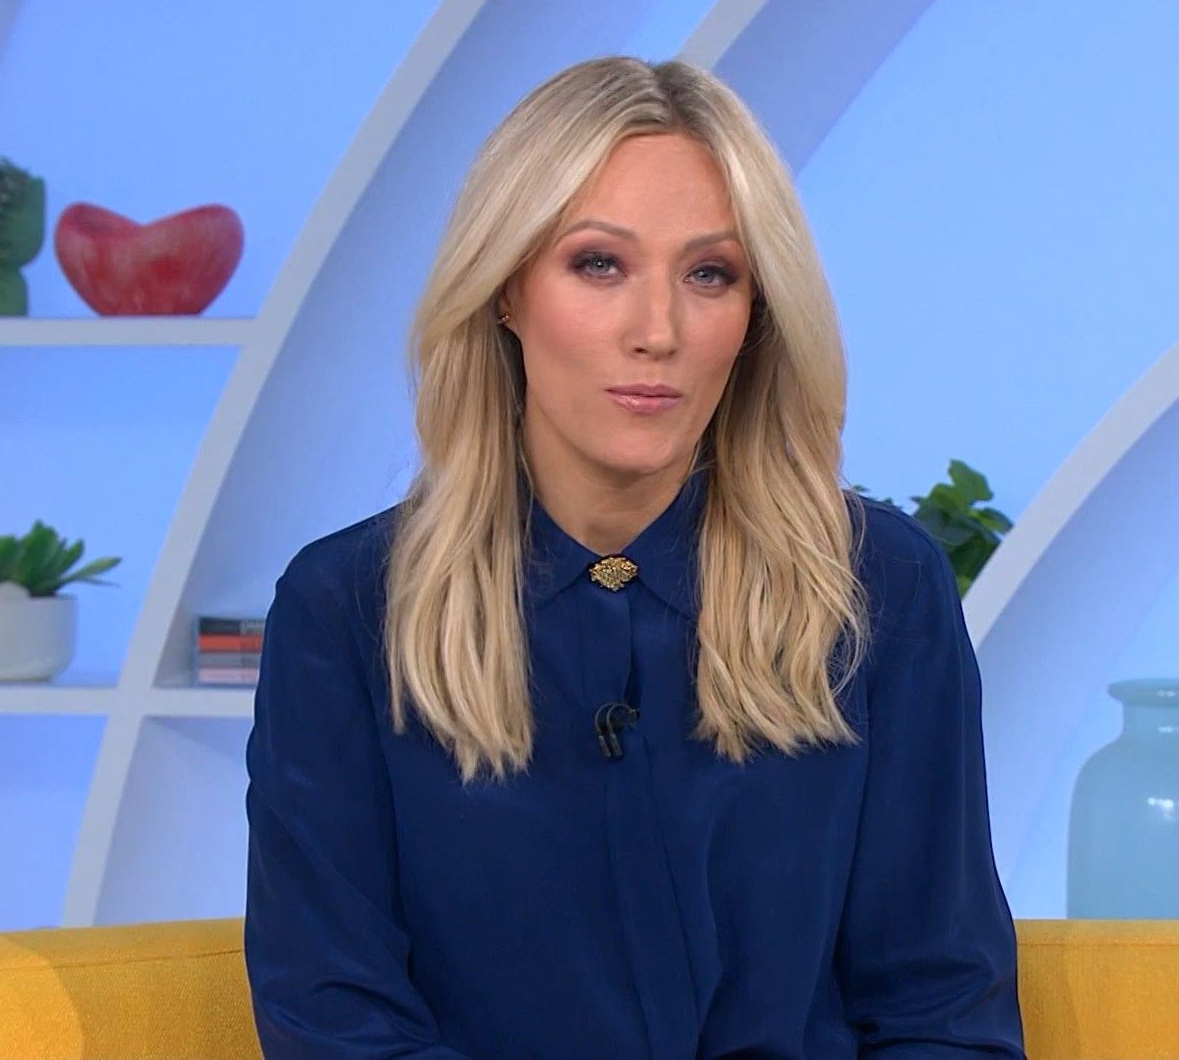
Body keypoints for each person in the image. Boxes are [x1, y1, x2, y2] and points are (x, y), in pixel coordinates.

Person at [243, 55, 1025, 1058]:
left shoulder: (879, 588)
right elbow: (336, 1022)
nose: (658, 331)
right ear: (505, 291)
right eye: (599, 265)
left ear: (757, 315)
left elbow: (941, 1009)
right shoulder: (348, 610)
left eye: (710, 275)